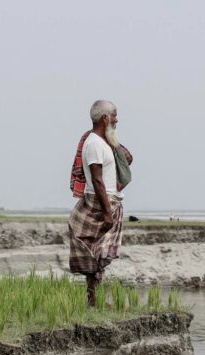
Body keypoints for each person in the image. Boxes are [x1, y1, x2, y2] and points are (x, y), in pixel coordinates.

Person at [68, 99, 132, 307]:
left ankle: (93, 302)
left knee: (97, 254)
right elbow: (97, 181)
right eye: (114, 115)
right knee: (95, 254)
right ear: (105, 118)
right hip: (101, 203)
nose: (117, 119)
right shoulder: (95, 144)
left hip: (108, 201)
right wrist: (106, 212)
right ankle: (92, 301)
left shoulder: (103, 142)